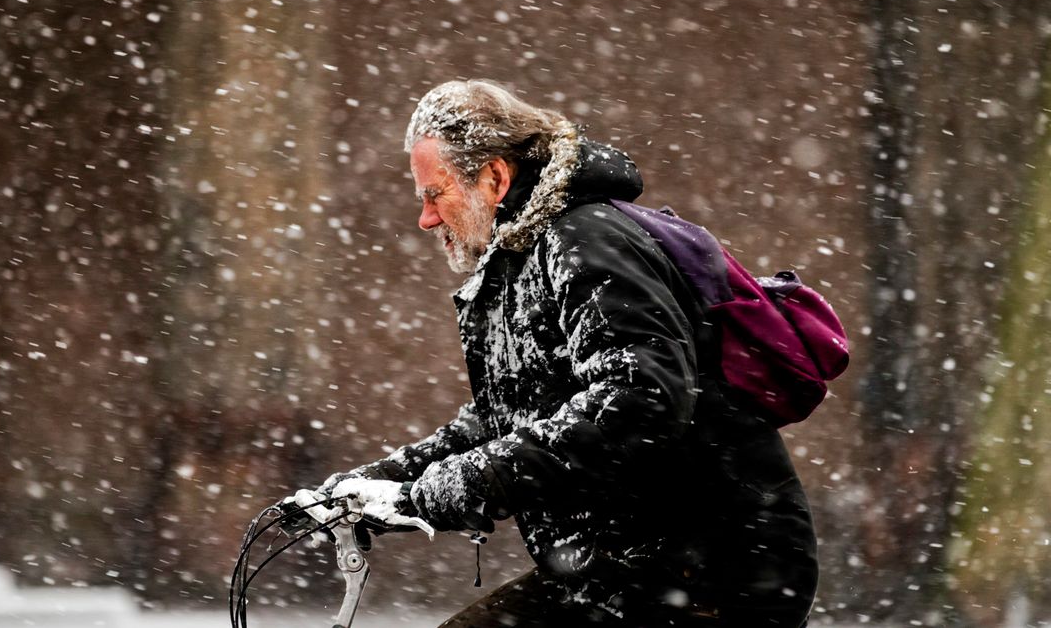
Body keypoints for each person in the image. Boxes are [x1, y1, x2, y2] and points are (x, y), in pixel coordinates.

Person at [300, 79, 818, 626]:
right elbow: (508, 413)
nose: (426, 218)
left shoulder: (584, 240)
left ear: (495, 177)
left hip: (710, 570)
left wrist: (460, 486)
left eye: (436, 194)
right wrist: (377, 483)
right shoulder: (518, 259)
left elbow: (642, 399)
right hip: (619, 567)